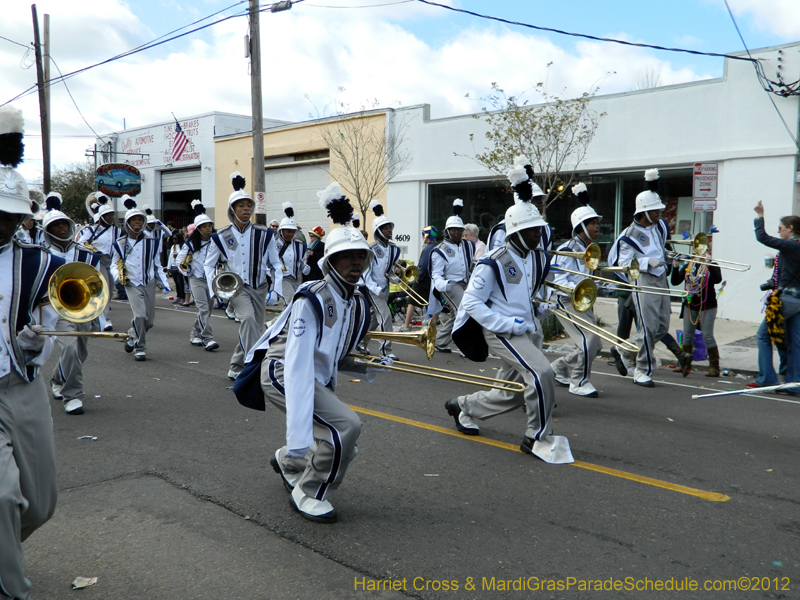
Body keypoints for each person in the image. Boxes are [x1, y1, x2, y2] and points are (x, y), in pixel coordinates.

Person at [233, 181, 389, 523]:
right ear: (329, 261)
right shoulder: (314, 298)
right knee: (345, 428)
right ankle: (309, 491)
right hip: (283, 371)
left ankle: (289, 461)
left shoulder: (358, 302)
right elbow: (299, 361)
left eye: (360, 255)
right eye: (345, 256)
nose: (355, 262)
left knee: (336, 435)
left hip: (313, 375)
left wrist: (372, 367)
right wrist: (302, 430)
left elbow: (337, 356)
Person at [446, 179, 572, 464]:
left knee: (512, 393)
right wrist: (504, 325)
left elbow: (530, 293)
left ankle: (463, 407)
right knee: (542, 374)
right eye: (533, 230)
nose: (540, 234)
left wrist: (541, 309)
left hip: (527, 330)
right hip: (501, 331)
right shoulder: (493, 261)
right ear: (516, 231)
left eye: (540, 228)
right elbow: (471, 303)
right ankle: (537, 436)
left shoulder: (538, 258)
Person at [0, 105, 64, 600]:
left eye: (13, 217)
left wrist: (35, 342)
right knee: (2, 496)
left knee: (40, 504)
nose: (4, 225)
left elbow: (54, 315)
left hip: (22, 385)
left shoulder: (42, 261)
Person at [204, 171, 283, 380]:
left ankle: (235, 366)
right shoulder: (220, 236)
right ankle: (254, 368)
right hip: (236, 289)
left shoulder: (265, 233)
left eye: (249, 205)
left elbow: (276, 264)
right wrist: (214, 289)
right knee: (248, 320)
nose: (246, 209)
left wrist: (276, 289)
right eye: (241, 206)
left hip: (260, 287)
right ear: (232, 210)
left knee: (255, 328)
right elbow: (208, 264)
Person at [607, 168, 673, 387]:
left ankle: (622, 350)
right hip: (643, 281)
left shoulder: (660, 226)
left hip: (661, 278)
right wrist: (645, 263)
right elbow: (620, 264)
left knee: (662, 327)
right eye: (655, 211)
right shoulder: (629, 236)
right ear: (644, 212)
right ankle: (642, 369)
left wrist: (669, 256)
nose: (660, 214)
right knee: (648, 327)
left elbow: (660, 248)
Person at [41, 193, 104, 415]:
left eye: (64, 224)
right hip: (55, 311)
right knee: (69, 348)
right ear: (48, 231)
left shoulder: (87, 255)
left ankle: (58, 379)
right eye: (56, 226)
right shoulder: (43, 256)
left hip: (82, 310)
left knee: (79, 354)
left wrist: (100, 317)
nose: (61, 229)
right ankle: (73, 396)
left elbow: (97, 288)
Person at [550, 183, 603, 397]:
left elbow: (587, 278)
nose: (597, 226)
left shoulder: (591, 250)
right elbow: (559, 278)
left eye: (597, 222)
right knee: (588, 340)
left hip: (582, 302)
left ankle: (559, 368)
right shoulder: (567, 250)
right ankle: (579, 382)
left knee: (595, 345)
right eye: (592, 223)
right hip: (565, 301)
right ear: (580, 227)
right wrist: (582, 288)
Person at [110, 197, 171, 361]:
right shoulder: (119, 243)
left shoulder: (153, 241)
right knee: (140, 316)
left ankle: (131, 334)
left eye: (140, 219)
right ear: (128, 223)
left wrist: (164, 283)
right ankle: (140, 347)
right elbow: (114, 265)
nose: (137, 222)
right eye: (134, 220)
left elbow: (157, 264)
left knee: (149, 321)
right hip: (131, 283)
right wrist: (119, 277)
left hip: (149, 282)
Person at [752, 202, 800, 393]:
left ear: (790, 228)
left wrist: (759, 216)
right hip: (797, 300)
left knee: (763, 336)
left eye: (780, 228)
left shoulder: (792, 246)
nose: (778, 231)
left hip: (786, 299)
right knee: (793, 342)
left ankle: (767, 379)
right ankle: (794, 384)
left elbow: (763, 237)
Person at [670, 244, 723, 377]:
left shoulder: (712, 265)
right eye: (696, 250)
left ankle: (714, 367)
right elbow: (675, 281)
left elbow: (718, 279)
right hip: (690, 306)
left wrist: (708, 263)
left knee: (707, 336)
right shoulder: (689, 266)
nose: (699, 253)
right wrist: (675, 266)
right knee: (687, 335)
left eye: (703, 250)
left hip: (708, 306)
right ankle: (685, 363)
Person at [430, 199, 475, 352]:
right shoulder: (439, 250)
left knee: (457, 314)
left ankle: (441, 341)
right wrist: (444, 285)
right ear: (447, 231)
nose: (457, 232)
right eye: (453, 229)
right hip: (450, 284)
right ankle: (465, 345)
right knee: (465, 310)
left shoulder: (469, 245)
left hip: (466, 283)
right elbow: (436, 274)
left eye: (459, 229)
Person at [177, 201, 219, 351]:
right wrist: (187, 271)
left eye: (209, 226)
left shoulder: (216, 241)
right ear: (198, 229)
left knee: (207, 310)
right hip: (196, 279)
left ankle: (195, 333)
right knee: (203, 309)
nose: (208, 229)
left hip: (212, 279)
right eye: (205, 227)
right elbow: (179, 260)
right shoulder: (190, 244)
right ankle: (208, 338)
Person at [78, 192, 121, 330]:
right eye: (108, 215)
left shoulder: (118, 231)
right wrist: (92, 251)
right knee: (103, 290)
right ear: (101, 217)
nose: (110, 217)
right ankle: (105, 320)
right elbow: (80, 243)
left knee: (110, 290)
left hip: (113, 261)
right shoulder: (92, 229)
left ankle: (100, 317)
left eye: (111, 215)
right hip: (99, 261)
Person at [365, 199, 401, 359]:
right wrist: (375, 289)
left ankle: (360, 341)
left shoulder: (394, 249)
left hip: (385, 288)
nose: (389, 231)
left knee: (374, 319)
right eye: (385, 228)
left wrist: (396, 276)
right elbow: (366, 275)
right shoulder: (371, 250)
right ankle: (386, 351)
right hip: (373, 290)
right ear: (378, 231)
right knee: (386, 317)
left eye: (390, 228)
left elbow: (389, 271)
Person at [401, 225, 438, 331]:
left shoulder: (428, 248)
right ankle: (433, 328)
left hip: (423, 279)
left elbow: (423, 264)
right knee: (434, 302)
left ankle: (406, 326)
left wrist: (418, 277)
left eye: (423, 235)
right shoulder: (437, 246)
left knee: (411, 301)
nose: (422, 237)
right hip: (433, 279)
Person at [276, 202, 310, 299]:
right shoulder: (274, 245)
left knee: (297, 302)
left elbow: (300, 260)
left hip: (297, 278)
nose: (290, 234)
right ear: (281, 231)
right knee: (290, 301)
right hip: (283, 279)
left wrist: (304, 267)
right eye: (288, 231)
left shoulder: (299, 245)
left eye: (292, 232)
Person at [167, 231, 189, 305]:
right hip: (173, 266)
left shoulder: (183, 246)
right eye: (173, 239)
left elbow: (183, 257)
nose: (174, 240)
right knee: (176, 283)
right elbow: (170, 257)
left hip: (179, 267)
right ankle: (178, 296)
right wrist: (168, 267)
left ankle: (183, 297)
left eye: (176, 239)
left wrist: (181, 268)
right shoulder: (173, 246)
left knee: (181, 283)